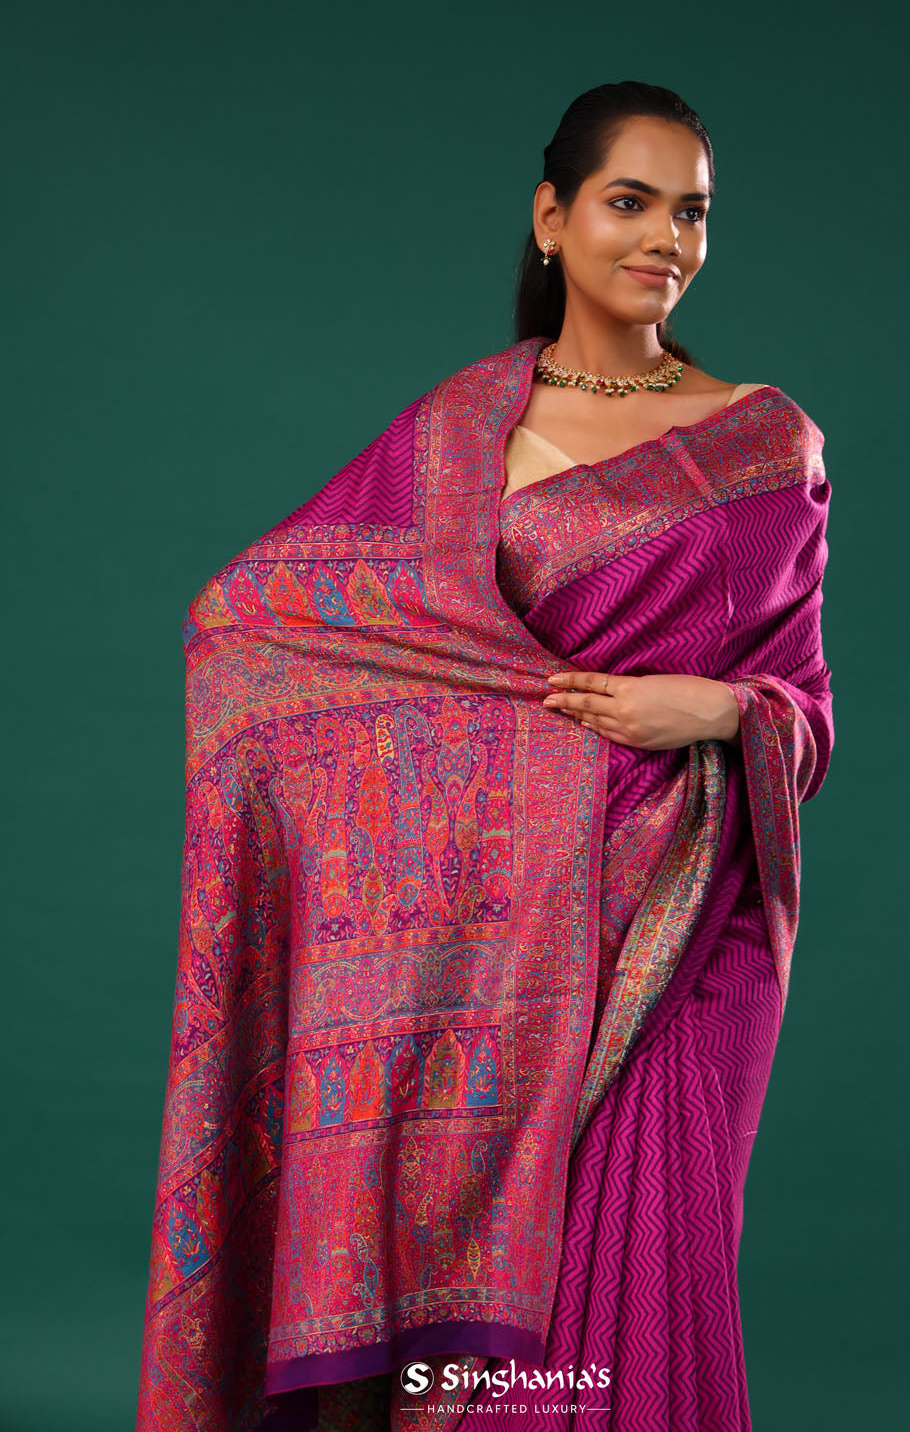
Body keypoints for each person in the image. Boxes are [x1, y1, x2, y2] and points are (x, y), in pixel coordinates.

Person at [135, 81, 833, 1432]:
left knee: (645, 1271)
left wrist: (715, 709)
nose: (666, 240)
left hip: (689, 925)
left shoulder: (766, 442)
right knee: (498, 1342)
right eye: (631, 203)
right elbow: (259, 624)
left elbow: (803, 713)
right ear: (553, 218)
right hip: (489, 945)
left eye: (691, 212)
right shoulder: (462, 430)